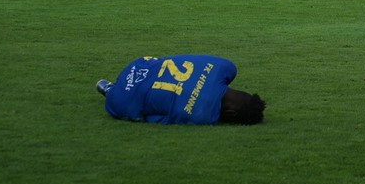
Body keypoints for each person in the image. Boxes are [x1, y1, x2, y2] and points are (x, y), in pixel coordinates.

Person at [96, 54, 266, 125]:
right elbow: (153, 118)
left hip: (139, 65)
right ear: (231, 114)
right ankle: (110, 89)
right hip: (121, 97)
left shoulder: (226, 67)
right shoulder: (203, 116)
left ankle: (115, 88)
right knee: (136, 111)